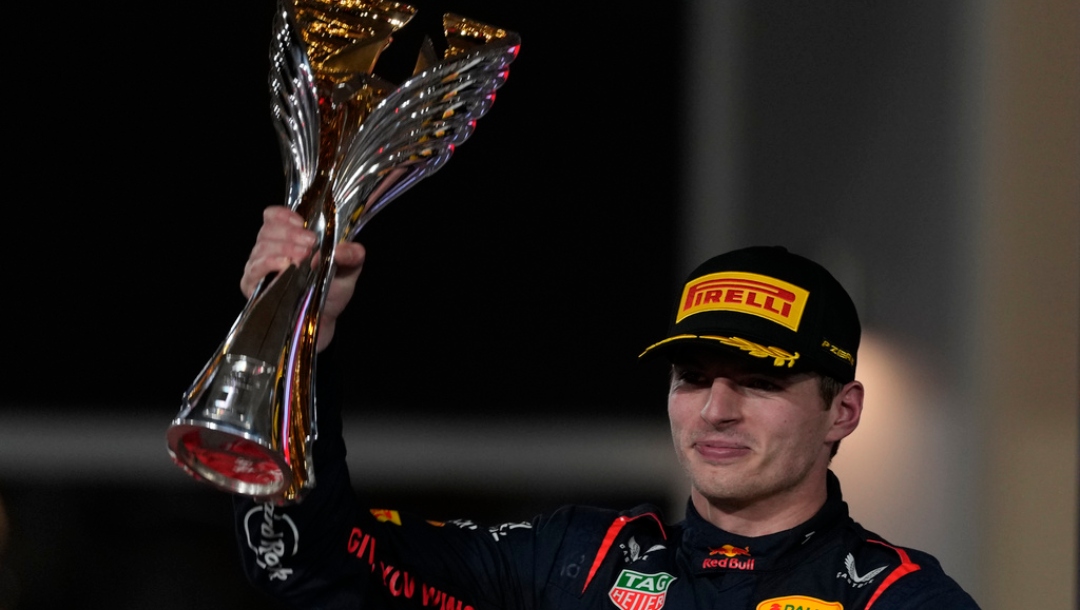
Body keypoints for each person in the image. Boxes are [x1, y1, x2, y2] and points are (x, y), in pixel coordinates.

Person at [233, 205, 981, 609]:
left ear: (842, 412)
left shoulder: (902, 599)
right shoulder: (575, 561)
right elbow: (305, 566)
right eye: (692, 377)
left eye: (758, 382)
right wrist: (300, 342)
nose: (716, 409)